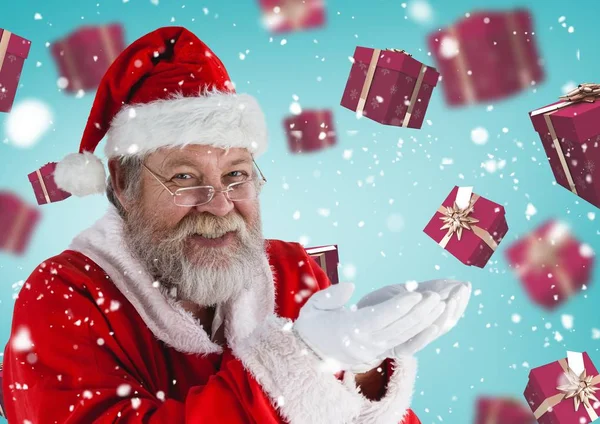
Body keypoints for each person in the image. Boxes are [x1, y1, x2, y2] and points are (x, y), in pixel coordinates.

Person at [3, 27, 470, 423]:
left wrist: (364, 370)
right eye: (184, 177)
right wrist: (304, 362)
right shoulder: (60, 298)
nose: (220, 205)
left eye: (236, 175)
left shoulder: (291, 269)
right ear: (123, 188)